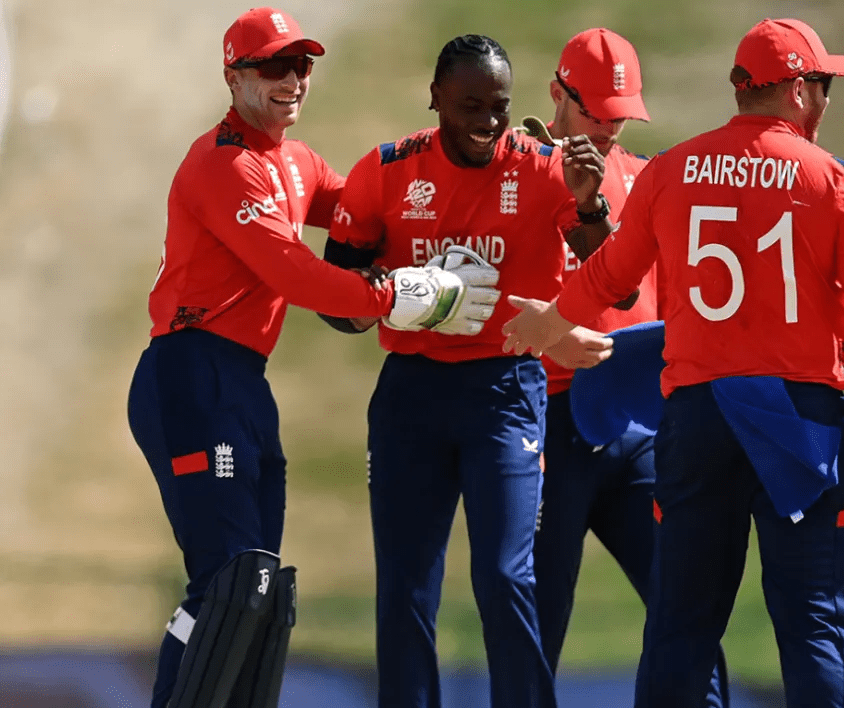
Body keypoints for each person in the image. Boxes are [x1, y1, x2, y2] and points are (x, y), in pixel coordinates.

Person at [502, 18, 844, 708]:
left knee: (679, 625)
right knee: (814, 621)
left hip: (697, 414)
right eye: (821, 87)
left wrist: (550, 320)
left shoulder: (671, 170)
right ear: (796, 90)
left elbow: (610, 273)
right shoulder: (836, 180)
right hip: (797, 415)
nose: (823, 103)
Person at [126, 8, 494, 708]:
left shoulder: (296, 163)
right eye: (273, 66)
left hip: (240, 382)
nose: (293, 79)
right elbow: (296, 275)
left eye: (302, 64)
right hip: (190, 372)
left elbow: (374, 210)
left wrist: (481, 164)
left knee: (261, 586)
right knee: (230, 577)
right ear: (233, 76)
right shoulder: (223, 166)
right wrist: (398, 295)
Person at [319, 34, 614, 708]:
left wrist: (591, 203)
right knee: (405, 583)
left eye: (500, 108)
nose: (487, 123)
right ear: (435, 100)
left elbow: (614, 286)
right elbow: (335, 300)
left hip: (505, 390)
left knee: (506, 576)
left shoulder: (544, 169)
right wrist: (396, 293)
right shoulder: (387, 170)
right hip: (411, 395)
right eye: (469, 106)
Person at [526, 28, 729, 706]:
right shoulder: (515, 170)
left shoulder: (647, 176)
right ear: (559, 94)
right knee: (533, 626)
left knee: (689, 610)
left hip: (640, 427)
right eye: (597, 115)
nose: (611, 129)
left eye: (622, 116)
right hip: (547, 424)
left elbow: (675, 304)